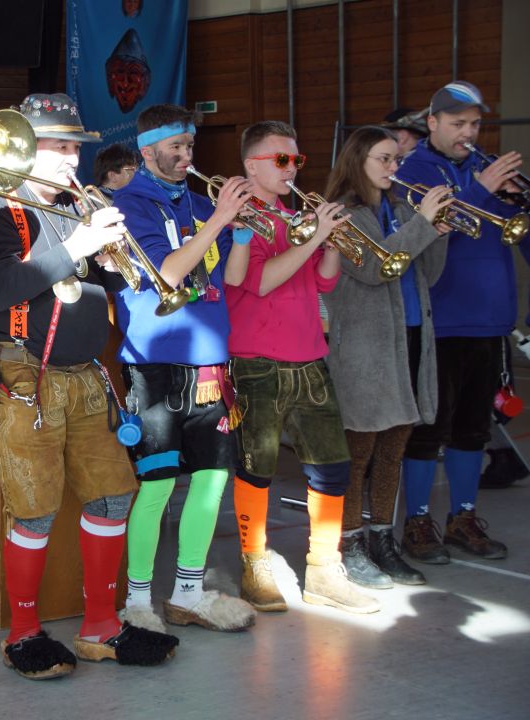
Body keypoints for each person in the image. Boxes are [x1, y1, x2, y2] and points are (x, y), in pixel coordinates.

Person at [0, 92, 178, 681]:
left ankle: (101, 626)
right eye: (57, 146)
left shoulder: (76, 204)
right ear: (20, 146)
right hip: (23, 378)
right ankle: (23, 633)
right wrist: (78, 246)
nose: (71, 159)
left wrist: (110, 260)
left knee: (112, 496)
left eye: (74, 147)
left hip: (84, 376)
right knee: (33, 511)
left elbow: (104, 282)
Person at [224, 120, 381, 615]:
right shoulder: (241, 219)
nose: (291, 168)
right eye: (281, 159)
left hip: (310, 356)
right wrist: (315, 240)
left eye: (296, 159)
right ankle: (254, 564)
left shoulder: (296, 217)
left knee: (332, 467)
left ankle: (324, 571)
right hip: (257, 361)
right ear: (251, 166)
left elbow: (325, 284)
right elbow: (261, 282)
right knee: (257, 468)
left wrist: (332, 242)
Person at [111, 103, 257, 633]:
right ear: (148, 150)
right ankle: (138, 600)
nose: (186, 155)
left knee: (213, 478)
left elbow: (232, 278)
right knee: (157, 485)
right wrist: (219, 219)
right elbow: (167, 273)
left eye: (190, 145)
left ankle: (189, 593)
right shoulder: (127, 203)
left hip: (211, 360)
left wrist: (240, 231)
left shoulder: (199, 202)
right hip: (156, 364)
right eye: (175, 146)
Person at [396, 81, 525, 564]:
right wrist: (483, 189)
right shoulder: (413, 171)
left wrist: (518, 203)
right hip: (441, 321)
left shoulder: (481, 169)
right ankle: (417, 522)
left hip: (489, 321)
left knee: (473, 429)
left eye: (474, 124)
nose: (468, 133)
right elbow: (427, 232)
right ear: (432, 123)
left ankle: (463, 517)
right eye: (457, 123)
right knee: (428, 429)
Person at [323, 125, 453, 589]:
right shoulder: (344, 217)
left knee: (393, 452)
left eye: (397, 159)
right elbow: (377, 268)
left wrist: (436, 232)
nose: (394, 167)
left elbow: (428, 275)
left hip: (409, 340)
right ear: (357, 161)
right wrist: (422, 225)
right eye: (384, 158)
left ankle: (383, 539)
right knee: (359, 454)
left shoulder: (400, 211)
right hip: (364, 351)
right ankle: (350, 543)